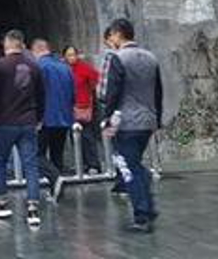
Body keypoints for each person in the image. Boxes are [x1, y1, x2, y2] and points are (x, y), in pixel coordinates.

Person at [99, 18, 162, 232]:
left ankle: (142, 214)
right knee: (134, 164)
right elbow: (157, 92)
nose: (111, 39)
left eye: (112, 35)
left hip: (126, 122)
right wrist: (157, 119)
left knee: (128, 167)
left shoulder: (118, 58)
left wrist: (107, 119)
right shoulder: (151, 58)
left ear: (118, 34)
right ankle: (148, 206)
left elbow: (112, 93)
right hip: (147, 119)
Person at [0, 29, 46, 229]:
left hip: (7, 121)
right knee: (30, 164)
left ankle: (2, 201)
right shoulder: (34, 66)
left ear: (7, 44)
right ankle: (33, 208)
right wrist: (39, 118)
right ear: (22, 44)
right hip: (28, 121)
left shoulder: (1, 65)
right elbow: (41, 95)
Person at [31, 38, 75, 200]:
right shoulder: (65, 67)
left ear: (36, 50)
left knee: (36, 154)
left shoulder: (39, 67)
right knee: (57, 153)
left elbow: (35, 94)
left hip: (45, 118)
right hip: (64, 117)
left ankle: (55, 178)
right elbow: (72, 92)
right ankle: (56, 192)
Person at [64, 45, 102, 174]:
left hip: (83, 106)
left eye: (73, 54)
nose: (72, 58)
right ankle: (82, 163)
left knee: (87, 137)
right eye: (69, 55)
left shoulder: (84, 68)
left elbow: (96, 80)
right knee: (74, 137)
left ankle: (93, 164)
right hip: (69, 107)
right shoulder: (64, 69)